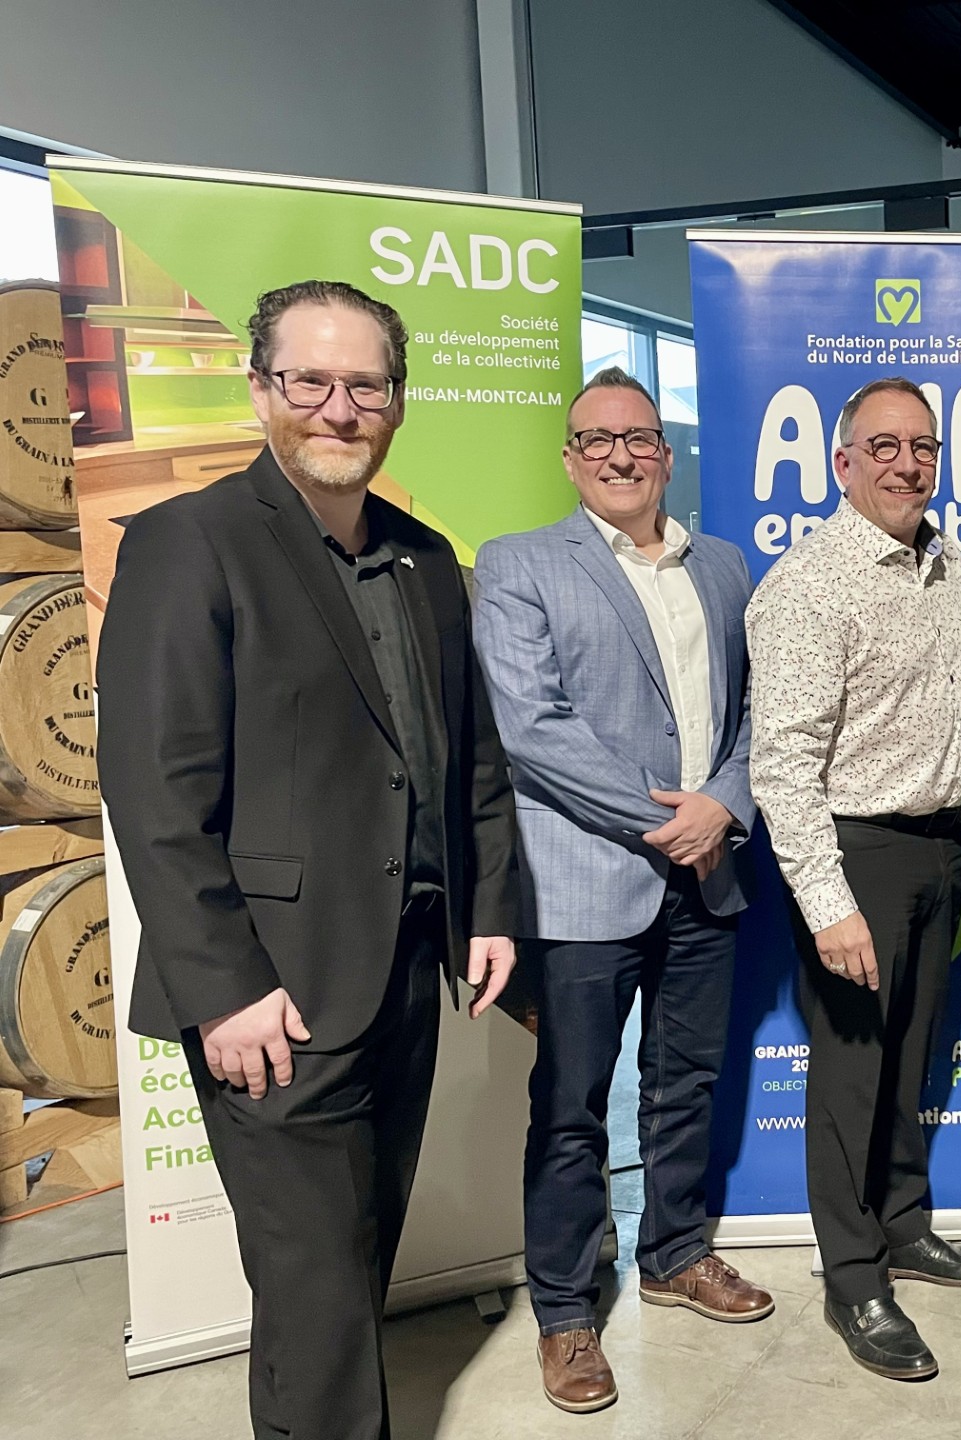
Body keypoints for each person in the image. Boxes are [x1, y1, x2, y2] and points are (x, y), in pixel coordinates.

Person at [96, 280, 520, 1440]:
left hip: (403, 974)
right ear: (260, 390)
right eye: (310, 382)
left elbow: (466, 754)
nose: (338, 408)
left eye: (365, 384)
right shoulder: (192, 543)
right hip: (270, 991)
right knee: (319, 1288)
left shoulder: (428, 559)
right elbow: (154, 791)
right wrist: (226, 985)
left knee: (350, 1260)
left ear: (396, 400)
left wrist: (487, 906)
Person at [472, 367, 769, 1416]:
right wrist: (670, 816)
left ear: (665, 452)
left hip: (710, 874)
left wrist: (722, 806)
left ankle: (675, 1253)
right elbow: (533, 729)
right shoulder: (518, 566)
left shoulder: (725, 566)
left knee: (687, 1083)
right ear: (570, 457)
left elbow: (756, 718)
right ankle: (564, 1310)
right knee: (571, 1108)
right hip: (588, 884)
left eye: (637, 437)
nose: (618, 455)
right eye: (595, 439)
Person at [746, 375, 961, 1382]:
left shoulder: (944, 563)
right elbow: (783, 764)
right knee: (851, 1080)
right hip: (858, 854)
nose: (908, 464)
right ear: (842, 463)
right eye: (885, 447)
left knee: (908, 1068)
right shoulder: (809, 584)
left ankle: (903, 1226)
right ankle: (854, 1274)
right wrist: (829, 903)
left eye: (924, 447)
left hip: (942, 851)